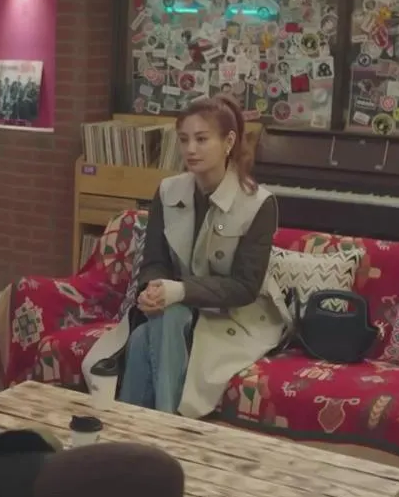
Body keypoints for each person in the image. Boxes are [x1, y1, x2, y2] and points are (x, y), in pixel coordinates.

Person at [80, 95, 288, 418]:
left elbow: (245, 287)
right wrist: (152, 289)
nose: (191, 149)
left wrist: (179, 291)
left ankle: (139, 428)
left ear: (228, 142)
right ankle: (160, 429)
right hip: (177, 308)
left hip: (235, 317)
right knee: (163, 320)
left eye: (202, 139)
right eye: (184, 139)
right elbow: (154, 261)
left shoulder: (258, 203)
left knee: (148, 335)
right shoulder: (168, 191)